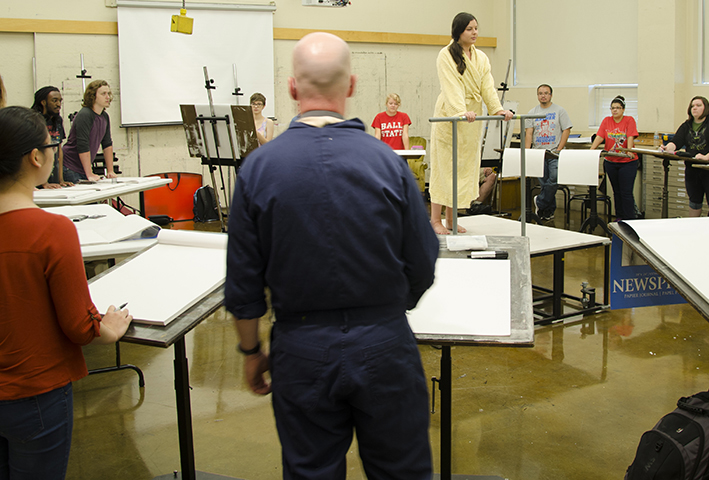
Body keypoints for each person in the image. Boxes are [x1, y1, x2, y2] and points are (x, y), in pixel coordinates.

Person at [225, 32, 439, 479]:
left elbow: (243, 283)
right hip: (385, 344)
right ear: (352, 85)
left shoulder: (258, 169)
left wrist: (251, 351)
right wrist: (384, 311)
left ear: (292, 88)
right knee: (402, 470)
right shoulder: (389, 163)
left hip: (301, 349)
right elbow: (423, 259)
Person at [0, 106, 132, 479]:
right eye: (51, 145)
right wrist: (108, 329)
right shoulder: (51, 231)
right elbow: (78, 324)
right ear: (35, 157)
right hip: (36, 392)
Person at [429, 12, 513, 235]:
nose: (475, 32)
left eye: (476, 28)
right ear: (458, 31)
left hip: (472, 118)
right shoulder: (446, 54)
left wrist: (497, 109)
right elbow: (451, 86)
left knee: (462, 168)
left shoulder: (481, 57)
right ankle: (435, 220)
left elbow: (487, 86)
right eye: (469, 29)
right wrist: (459, 111)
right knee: (444, 168)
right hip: (451, 116)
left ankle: (451, 219)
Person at [659, 96, 709, 217]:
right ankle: (694, 227)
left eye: (698, 105)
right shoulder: (687, 125)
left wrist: (706, 157)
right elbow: (676, 141)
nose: (694, 108)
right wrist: (667, 148)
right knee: (694, 202)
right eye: (692, 106)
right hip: (693, 169)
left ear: (706, 108)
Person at [525, 84, 572, 222]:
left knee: (554, 179)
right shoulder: (532, 112)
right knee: (544, 183)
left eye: (546, 93)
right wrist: (528, 152)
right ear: (537, 95)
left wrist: (559, 148)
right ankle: (547, 212)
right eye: (540, 93)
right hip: (538, 153)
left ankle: (540, 201)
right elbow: (529, 133)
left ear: (551, 95)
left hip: (553, 152)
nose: (543, 96)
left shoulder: (559, 111)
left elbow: (566, 129)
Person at [590, 95, 639, 221]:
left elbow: (630, 136)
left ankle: (629, 220)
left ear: (623, 109)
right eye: (612, 108)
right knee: (616, 192)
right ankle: (619, 218)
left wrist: (629, 150)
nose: (615, 110)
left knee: (626, 192)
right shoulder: (607, 120)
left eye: (618, 108)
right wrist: (592, 150)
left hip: (627, 162)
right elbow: (600, 136)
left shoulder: (629, 120)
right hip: (611, 161)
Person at [60, 80, 117, 182]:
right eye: (103, 94)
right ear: (93, 96)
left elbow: (107, 143)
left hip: (83, 167)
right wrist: (89, 173)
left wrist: (110, 170)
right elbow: (83, 145)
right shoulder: (85, 114)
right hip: (71, 166)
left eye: (108, 93)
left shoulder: (104, 116)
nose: (107, 97)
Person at [31, 86, 69, 188]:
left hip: (52, 174)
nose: (58, 104)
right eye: (54, 100)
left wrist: (61, 180)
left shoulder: (58, 120)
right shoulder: (34, 120)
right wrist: (43, 183)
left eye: (60, 101)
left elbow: (59, 150)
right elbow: (34, 152)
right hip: (36, 180)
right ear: (43, 102)